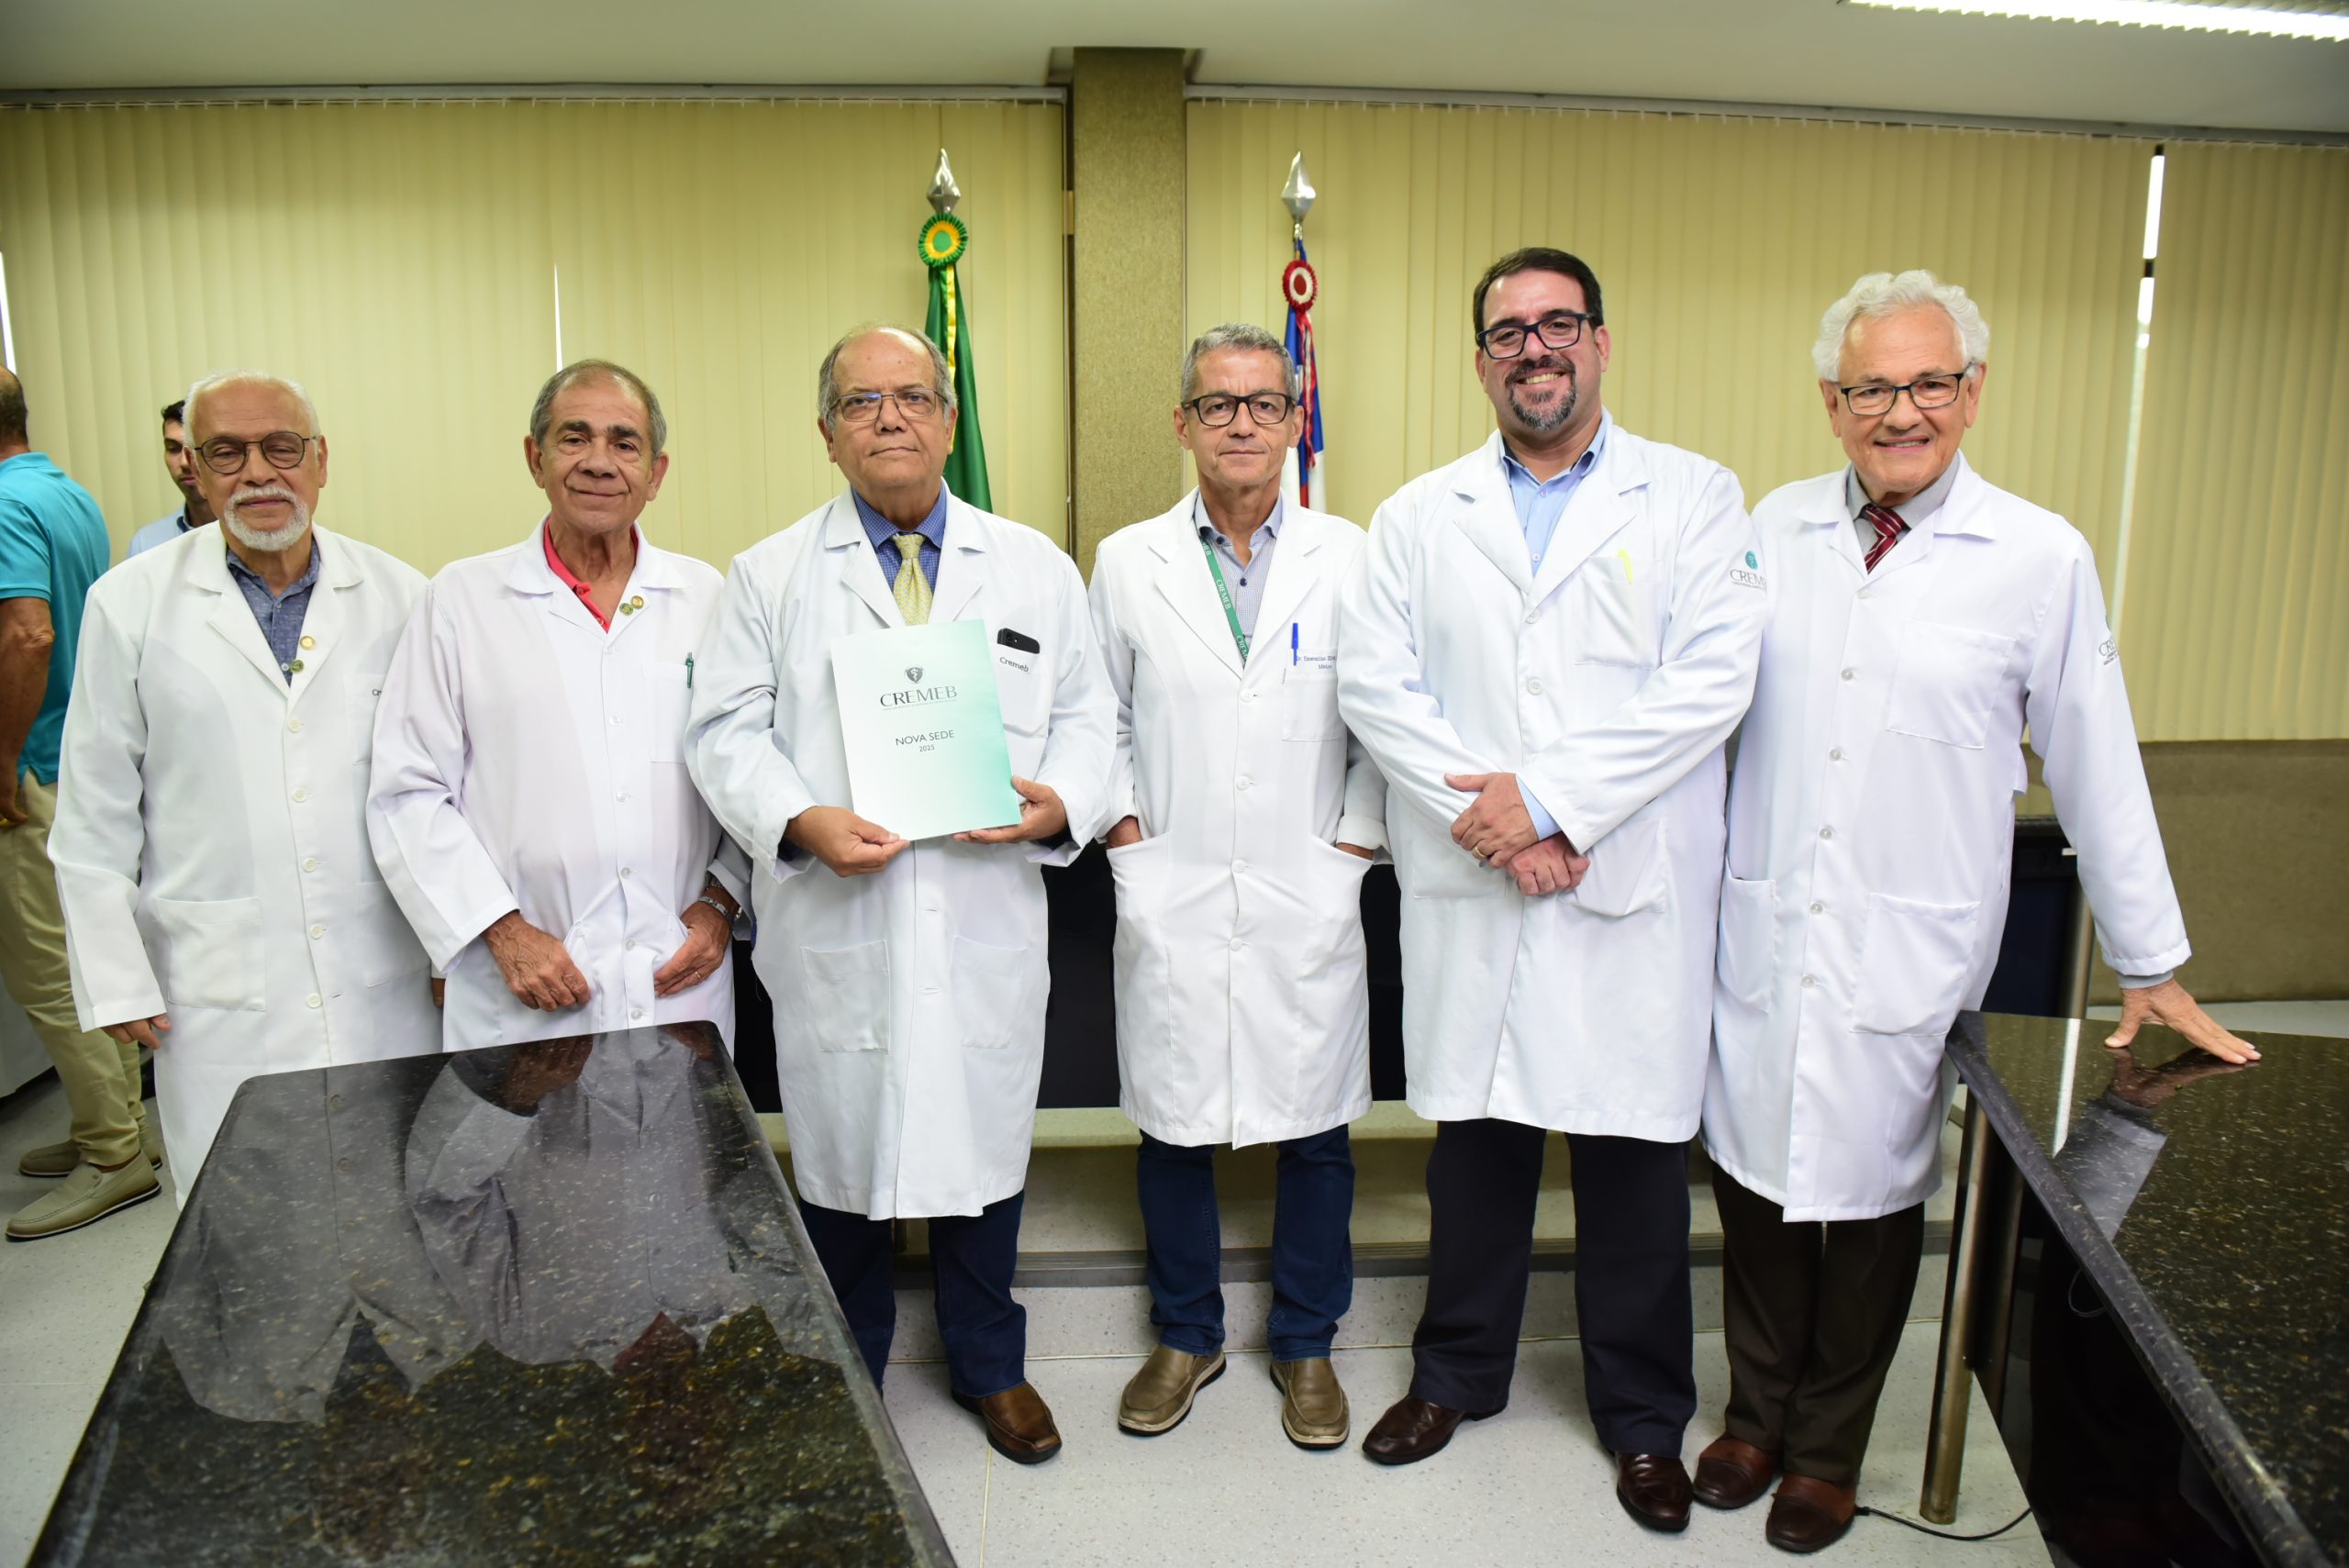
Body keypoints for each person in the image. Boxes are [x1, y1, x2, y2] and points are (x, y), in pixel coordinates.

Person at [1697, 270, 2254, 1552]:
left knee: (1875, 1194)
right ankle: (1752, 1418)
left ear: (1973, 390)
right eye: (1872, 387)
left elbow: (2096, 758)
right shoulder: (1772, 527)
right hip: (1769, 922)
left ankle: (1826, 1452)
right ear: (1831, 402)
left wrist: (2152, 960)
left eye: (1929, 382)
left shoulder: (2039, 556)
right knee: (1754, 1183)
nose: (1901, 410)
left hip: (1909, 935)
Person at [1336, 248, 1765, 1532]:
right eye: (1509, 330)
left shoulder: (1692, 496)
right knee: (1475, 1154)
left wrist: (1556, 802)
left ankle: (1643, 1419)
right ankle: (1455, 1376)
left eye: (1558, 323)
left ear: (1600, 341)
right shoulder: (1420, 514)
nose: (1535, 347)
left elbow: (1710, 679)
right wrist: (1502, 823)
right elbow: (1376, 686)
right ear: (1481, 360)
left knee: (1632, 1164)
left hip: (1621, 881)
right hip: (1481, 875)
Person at [686, 325, 1114, 1465]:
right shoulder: (769, 574)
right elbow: (722, 731)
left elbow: (1090, 718)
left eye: (914, 396)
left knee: (982, 1149)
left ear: (949, 419)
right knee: (838, 1158)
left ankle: (991, 1363)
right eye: (861, 400)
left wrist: (1058, 802)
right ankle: (849, 1364)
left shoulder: (1032, 565)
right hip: (842, 919)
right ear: (826, 431)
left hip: (982, 914)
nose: (890, 417)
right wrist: (799, 819)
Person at [1088, 323, 1385, 1448]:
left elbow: (1381, 721)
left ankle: (1305, 1341)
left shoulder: (1352, 556)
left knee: (1316, 1129)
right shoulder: (1128, 560)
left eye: (1265, 402)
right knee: (1172, 1123)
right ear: (1184, 424)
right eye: (1218, 404)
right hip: (1172, 876)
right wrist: (1128, 832)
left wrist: (1349, 848)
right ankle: (1186, 1333)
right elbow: (1098, 716)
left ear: (1295, 419)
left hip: (1308, 880)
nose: (1243, 423)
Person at [50, 369, 439, 1199]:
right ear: (194, 468)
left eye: (281, 447)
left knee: (398, 1210)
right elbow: (93, 810)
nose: (258, 472)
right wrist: (116, 975)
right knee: (241, 1223)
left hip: (382, 978)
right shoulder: (129, 604)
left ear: (321, 460)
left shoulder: (403, 596)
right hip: (218, 988)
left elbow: (441, 791)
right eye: (227, 452)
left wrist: (453, 948)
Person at [368, 360, 744, 1052]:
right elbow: (407, 792)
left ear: (656, 473)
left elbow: (744, 766)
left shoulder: (708, 597)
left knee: (688, 1126)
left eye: (624, 443)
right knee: (531, 1128)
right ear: (534, 457)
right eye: (575, 438)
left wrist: (722, 902)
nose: (599, 461)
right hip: (522, 988)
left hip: (678, 977)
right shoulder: (462, 601)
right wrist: (501, 931)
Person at [0, 366, 157, 1239]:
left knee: (49, 974)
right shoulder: (66, 493)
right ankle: (119, 1121)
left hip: (30, 769)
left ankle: (113, 1151)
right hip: (68, 759)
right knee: (81, 958)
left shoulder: (2, 502)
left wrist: (2, 760)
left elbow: (29, 632)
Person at [126, 399, 217, 558]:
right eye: (173, 448)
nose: (185, 462)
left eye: (193, 448)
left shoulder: (253, 534)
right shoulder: (147, 544)